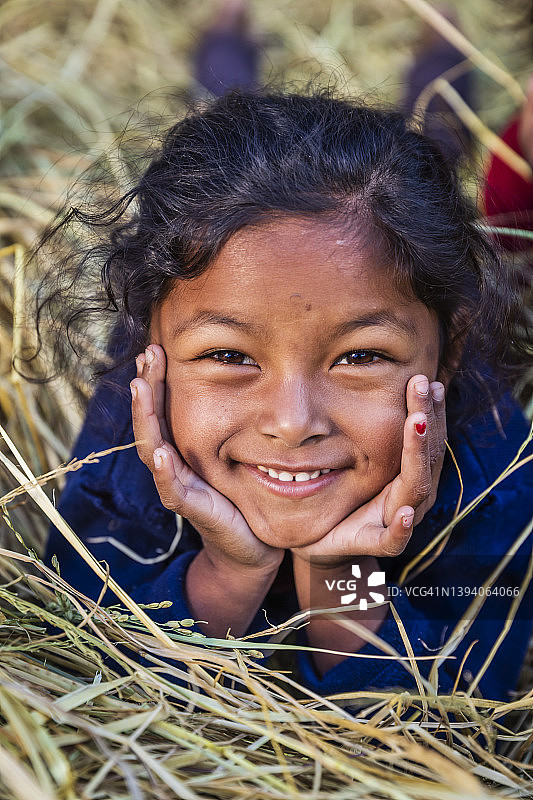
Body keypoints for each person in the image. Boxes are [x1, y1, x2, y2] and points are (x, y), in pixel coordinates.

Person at [40, 90, 533, 702]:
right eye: (229, 357)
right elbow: (90, 676)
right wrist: (229, 572)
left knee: (443, 114)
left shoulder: (493, 466)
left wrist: (339, 573)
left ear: (449, 351)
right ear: (152, 347)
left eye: (361, 356)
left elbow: (454, 718)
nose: (293, 422)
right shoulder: (135, 425)